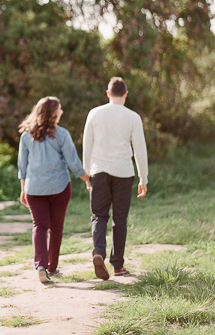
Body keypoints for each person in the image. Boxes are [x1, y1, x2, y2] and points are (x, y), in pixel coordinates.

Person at [18, 96, 91, 284]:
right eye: (59, 109)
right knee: (56, 227)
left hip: (34, 188)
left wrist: (23, 190)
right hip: (60, 187)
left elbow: (22, 166)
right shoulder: (62, 134)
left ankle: (41, 265)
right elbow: (73, 162)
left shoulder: (26, 135)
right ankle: (52, 266)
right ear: (52, 113)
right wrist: (88, 178)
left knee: (39, 226)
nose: (61, 112)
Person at [82, 77, 148, 280]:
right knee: (120, 220)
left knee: (99, 216)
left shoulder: (94, 113)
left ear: (108, 93)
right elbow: (139, 150)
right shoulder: (133, 117)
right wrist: (143, 178)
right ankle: (118, 265)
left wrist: (87, 174)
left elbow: (87, 145)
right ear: (126, 95)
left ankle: (98, 252)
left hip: (99, 171)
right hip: (123, 173)